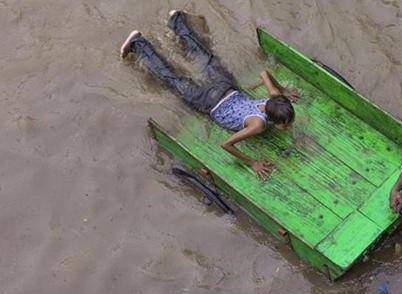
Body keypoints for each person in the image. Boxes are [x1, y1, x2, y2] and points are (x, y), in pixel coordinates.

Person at [120, 10, 298, 179]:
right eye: (286, 124)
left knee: (204, 57)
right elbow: (226, 144)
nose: (288, 127)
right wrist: (253, 163)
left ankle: (177, 20)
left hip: (226, 87)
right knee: (172, 79)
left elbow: (264, 74)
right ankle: (137, 43)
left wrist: (283, 91)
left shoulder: (274, 99)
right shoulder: (258, 124)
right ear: (273, 120)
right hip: (209, 102)